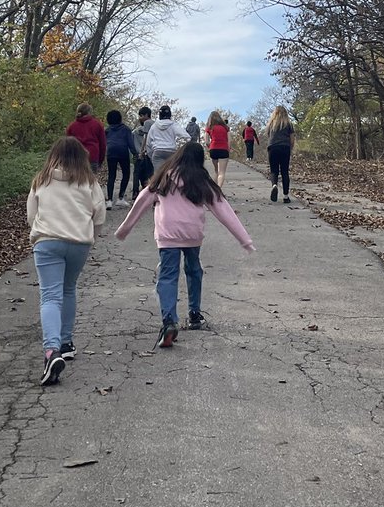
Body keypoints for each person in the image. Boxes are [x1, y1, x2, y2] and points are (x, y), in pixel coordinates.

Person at [115, 141, 255, 346]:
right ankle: (195, 314)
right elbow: (224, 211)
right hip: (192, 233)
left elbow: (142, 201)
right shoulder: (202, 180)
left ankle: (169, 320)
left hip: (168, 235)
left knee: (168, 275)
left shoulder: (163, 178)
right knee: (194, 270)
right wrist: (245, 240)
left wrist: (124, 230)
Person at [27, 137, 107, 386]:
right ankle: (66, 342)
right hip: (79, 242)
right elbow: (100, 214)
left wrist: (40, 234)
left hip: (48, 241)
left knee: (50, 295)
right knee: (68, 289)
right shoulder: (89, 182)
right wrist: (91, 235)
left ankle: (51, 351)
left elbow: (31, 216)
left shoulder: (41, 180)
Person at [105, 110, 136, 209]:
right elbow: (131, 143)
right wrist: (135, 153)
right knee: (126, 173)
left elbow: (104, 142)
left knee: (111, 175)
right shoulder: (126, 129)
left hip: (111, 152)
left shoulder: (107, 130)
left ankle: (109, 200)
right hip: (123, 152)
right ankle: (120, 198)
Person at [145, 104, 190, 174]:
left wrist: (151, 155)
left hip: (157, 152)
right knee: (172, 176)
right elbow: (187, 137)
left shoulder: (154, 126)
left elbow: (148, 143)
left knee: (158, 176)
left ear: (159, 115)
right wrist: (181, 151)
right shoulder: (173, 125)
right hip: (171, 152)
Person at [264, 105, 295, 203]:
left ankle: (274, 185)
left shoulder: (270, 124)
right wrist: (291, 148)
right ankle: (286, 196)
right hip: (285, 147)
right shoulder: (289, 124)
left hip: (272, 148)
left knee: (274, 170)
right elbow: (292, 139)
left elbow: (269, 137)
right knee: (284, 171)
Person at [66, 102, 106, 173]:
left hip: (76, 158)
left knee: (76, 182)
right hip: (92, 157)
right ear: (89, 112)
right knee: (90, 183)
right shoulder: (97, 124)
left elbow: (67, 145)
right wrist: (100, 161)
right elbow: (103, 144)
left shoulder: (72, 126)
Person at [131, 106, 154, 200]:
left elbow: (132, 143)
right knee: (149, 173)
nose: (140, 117)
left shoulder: (134, 132)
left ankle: (135, 193)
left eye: (141, 115)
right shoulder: (154, 128)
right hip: (149, 153)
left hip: (138, 154)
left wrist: (134, 153)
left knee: (136, 174)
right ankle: (148, 191)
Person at [205, 110, 231, 187]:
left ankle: (214, 190)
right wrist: (228, 149)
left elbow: (206, 141)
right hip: (223, 149)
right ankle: (219, 190)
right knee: (222, 172)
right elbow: (229, 140)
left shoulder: (209, 128)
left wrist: (210, 147)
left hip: (213, 149)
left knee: (216, 171)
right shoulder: (226, 128)